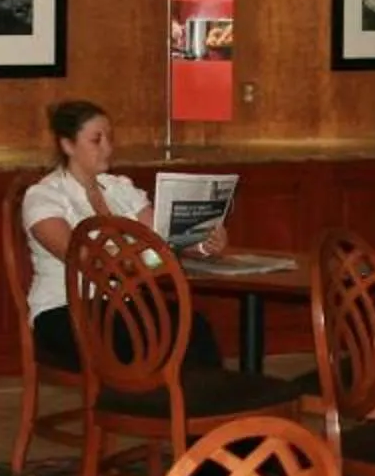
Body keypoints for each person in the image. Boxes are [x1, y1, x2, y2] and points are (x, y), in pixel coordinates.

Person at [21, 98, 226, 373]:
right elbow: (82, 257)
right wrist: (140, 260)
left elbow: (164, 237)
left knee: (192, 326)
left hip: (125, 304)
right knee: (146, 335)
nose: (108, 147)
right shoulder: (44, 196)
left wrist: (201, 242)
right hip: (66, 310)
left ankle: (195, 410)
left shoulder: (120, 188)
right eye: (97, 140)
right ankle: (145, 408)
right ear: (67, 145)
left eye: (110, 138)